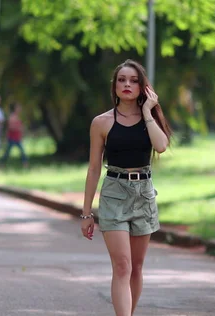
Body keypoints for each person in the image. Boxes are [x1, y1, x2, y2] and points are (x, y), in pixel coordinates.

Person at [80, 59, 173, 316]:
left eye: (133, 80)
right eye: (122, 80)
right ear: (115, 85)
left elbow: (161, 146)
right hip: (114, 193)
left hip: (143, 194)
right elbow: (94, 169)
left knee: (137, 266)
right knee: (122, 266)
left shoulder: (149, 120)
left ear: (142, 86)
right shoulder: (102, 122)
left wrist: (148, 112)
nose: (127, 85)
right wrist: (87, 213)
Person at [1, 103, 29, 168]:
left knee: (22, 151)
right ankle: (2, 164)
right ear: (15, 109)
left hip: (17, 138)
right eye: (18, 108)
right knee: (7, 153)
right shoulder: (12, 117)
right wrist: (19, 128)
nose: (20, 109)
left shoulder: (17, 116)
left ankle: (25, 165)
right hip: (12, 138)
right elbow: (10, 127)